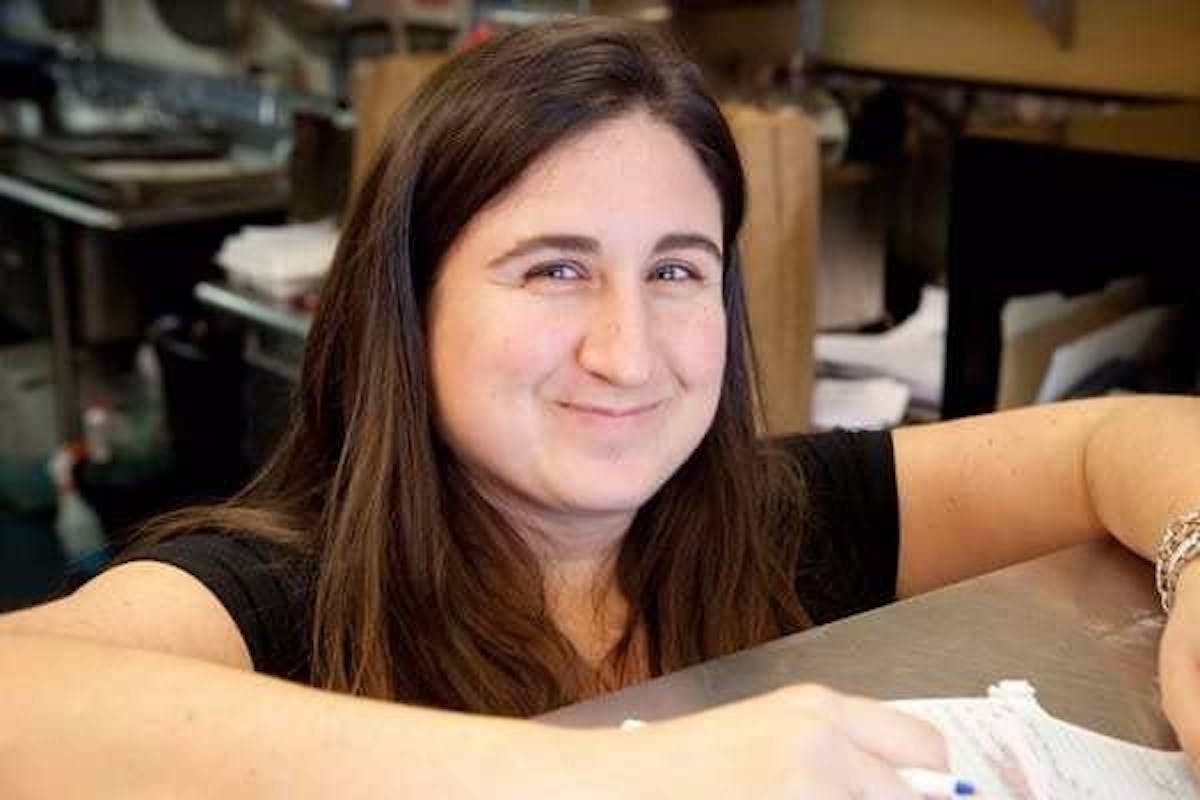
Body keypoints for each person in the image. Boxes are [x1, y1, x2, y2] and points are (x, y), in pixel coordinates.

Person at [4, 16, 1200, 799]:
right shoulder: (283, 595)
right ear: (406, 304)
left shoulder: (781, 511)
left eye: (676, 269)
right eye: (555, 267)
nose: (629, 352)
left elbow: (1117, 435)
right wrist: (621, 775)